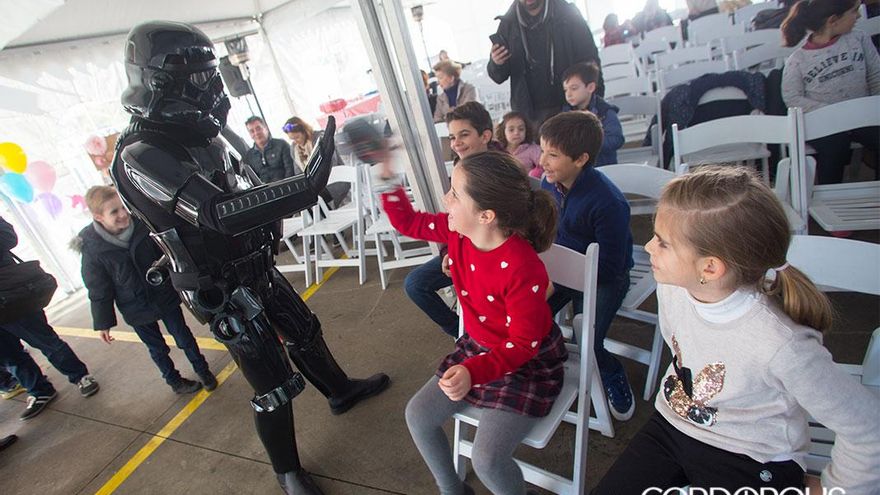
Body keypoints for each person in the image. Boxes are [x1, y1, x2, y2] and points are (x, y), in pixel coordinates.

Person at [112, 21, 389, 494]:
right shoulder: (141, 154)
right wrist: (304, 185)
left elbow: (247, 186)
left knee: (305, 331)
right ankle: (288, 472)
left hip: (255, 264)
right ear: (160, 81)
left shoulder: (204, 137)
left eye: (211, 76)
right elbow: (215, 211)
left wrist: (280, 203)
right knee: (272, 384)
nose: (212, 90)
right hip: (217, 286)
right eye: (199, 79)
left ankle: (340, 391)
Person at [592, 166, 880, 494]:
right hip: (673, 424)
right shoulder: (674, 286)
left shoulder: (782, 345)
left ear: (710, 268)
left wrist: (834, 488)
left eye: (663, 243)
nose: (648, 247)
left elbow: (868, 429)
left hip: (752, 454)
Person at [378, 149, 566, 495]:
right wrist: (388, 178)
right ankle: (452, 489)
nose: (445, 199)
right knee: (418, 416)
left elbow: (523, 345)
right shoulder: (458, 234)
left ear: (486, 215)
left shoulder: (523, 267)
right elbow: (408, 222)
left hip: (526, 365)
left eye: (454, 194)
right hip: (477, 349)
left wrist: (472, 372)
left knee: (487, 460)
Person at [539, 111, 635, 420]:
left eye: (552, 155)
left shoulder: (608, 202)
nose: (542, 161)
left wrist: (565, 272)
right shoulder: (549, 184)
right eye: (542, 150)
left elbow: (611, 266)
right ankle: (551, 361)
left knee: (588, 343)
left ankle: (611, 370)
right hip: (563, 269)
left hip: (604, 277)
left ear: (581, 159)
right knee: (527, 315)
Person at [75, 186, 217, 394]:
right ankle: (174, 381)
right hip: (135, 308)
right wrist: (103, 322)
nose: (123, 214)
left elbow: (169, 253)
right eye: (114, 212)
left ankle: (203, 370)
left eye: (123, 207)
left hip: (163, 295)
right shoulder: (93, 249)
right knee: (157, 348)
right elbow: (98, 287)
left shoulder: (142, 224)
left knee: (184, 337)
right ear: (98, 217)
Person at [405, 102, 500, 338]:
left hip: (492, 257)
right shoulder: (461, 166)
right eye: (452, 137)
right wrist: (450, 252)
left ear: (485, 136)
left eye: (464, 135)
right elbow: (456, 222)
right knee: (415, 284)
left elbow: (498, 230)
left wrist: (461, 254)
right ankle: (462, 334)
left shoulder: (500, 173)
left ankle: (482, 334)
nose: (456, 143)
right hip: (464, 251)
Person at [0, 216, 100, 420]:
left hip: (10, 295)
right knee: (9, 355)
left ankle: (80, 376)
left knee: (46, 341)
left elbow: (8, 236)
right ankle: (39, 390)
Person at [781, 0, 880, 185]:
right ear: (833, 20)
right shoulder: (797, 60)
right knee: (835, 147)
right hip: (824, 122)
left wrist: (874, 109)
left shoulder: (859, 39)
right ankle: (828, 194)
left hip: (861, 116)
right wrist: (832, 112)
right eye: (854, 11)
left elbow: (875, 76)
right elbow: (792, 97)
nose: (859, 15)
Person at [488, 0, 603, 125]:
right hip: (528, 115)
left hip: (569, 106)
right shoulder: (508, 24)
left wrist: (596, 101)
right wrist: (497, 63)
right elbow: (498, 76)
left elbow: (590, 59)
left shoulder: (568, 15)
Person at [561, 62, 624, 166]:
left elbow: (616, 139)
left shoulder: (605, 111)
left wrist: (588, 144)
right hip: (578, 168)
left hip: (604, 166)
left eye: (574, 88)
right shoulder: (566, 113)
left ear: (590, 87)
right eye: (565, 90)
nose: (568, 94)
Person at [283, 116, 350, 210]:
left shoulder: (320, 138)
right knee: (300, 200)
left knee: (314, 199)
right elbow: (299, 173)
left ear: (304, 131)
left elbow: (331, 163)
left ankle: (328, 215)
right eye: (292, 139)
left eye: (297, 137)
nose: (296, 141)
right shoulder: (294, 148)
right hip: (314, 185)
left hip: (335, 180)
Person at [243, 115, 297, 183]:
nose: (256, 133)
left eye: (258, 128)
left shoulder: (281, 145)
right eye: (252, 131)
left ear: (266, 128)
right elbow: (253, 180)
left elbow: (290, 171)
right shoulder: (249, 156)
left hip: (287, 185)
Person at [496, 111, 542, 177]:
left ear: (526, 131)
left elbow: (544, 165)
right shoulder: (498, 151)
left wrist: (535, 173)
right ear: (503, 132)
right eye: (511, 130)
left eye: (521, 129)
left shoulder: (533, 149)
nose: (516, 133)